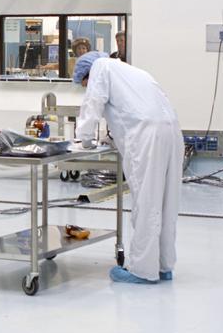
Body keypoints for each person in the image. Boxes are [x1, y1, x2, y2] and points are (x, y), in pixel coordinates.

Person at [74, 51, 181, 284]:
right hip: (171, 131)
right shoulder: (133, 71)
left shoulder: (101, 67)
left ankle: (143, 270)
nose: (86, 87)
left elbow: (92, 104)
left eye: (84, 83)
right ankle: (163, 265)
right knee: (166, 202)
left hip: (147, 137)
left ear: (87, 73)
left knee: (147, 200)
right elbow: (130, 110)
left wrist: (84, 139)